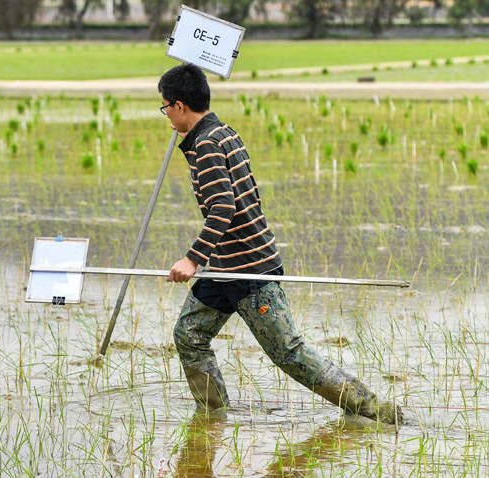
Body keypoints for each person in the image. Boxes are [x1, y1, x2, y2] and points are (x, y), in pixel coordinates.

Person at [158, 64, 401, 425]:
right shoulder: (224, 133)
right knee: (189, 334)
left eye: (165, 107)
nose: (166, 116)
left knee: (289, 353)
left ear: (180, 106)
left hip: (249, 268)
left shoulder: (207, 145)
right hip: (226, 267)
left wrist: (193, 259)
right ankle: (211, 415)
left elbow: (224, 205)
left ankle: (373, 410)